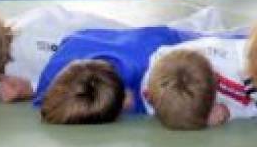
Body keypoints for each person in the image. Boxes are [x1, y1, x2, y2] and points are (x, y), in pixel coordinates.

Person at [0, 3, 222, 103]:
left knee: (184, 53)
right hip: (103, 44)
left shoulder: (39, 43)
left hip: (120, 43)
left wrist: (33, 89)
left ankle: (205, 26)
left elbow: (88, 78)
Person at [34, 24, 204, 124]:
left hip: (169, 38)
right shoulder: (50, 82)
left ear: (125, 103)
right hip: (90, 37)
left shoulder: (157, 73)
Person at [142, 29, 257, 129]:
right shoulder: (154, 81)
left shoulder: (244, 76)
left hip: (249, 44)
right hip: (198, 41)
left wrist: (229, 112)